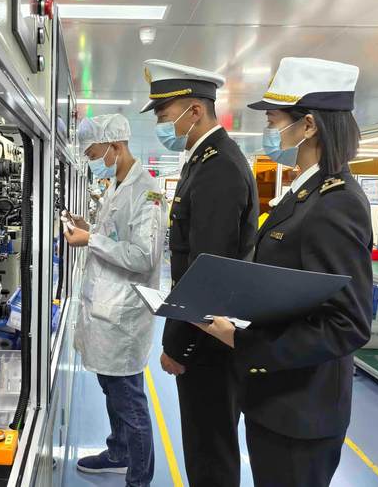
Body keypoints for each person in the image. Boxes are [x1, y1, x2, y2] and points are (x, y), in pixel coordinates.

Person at [197, 57, 372, 487]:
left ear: (308, 125)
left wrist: (242, 341)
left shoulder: (336, 203)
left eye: (274, 119)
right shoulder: (305, 193)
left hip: (301, 412)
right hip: (276, 399)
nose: (269, 129)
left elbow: (348, 324)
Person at [141, 59, 259, 487]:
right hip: (204, 330)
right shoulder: (204, 160)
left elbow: (207, 268)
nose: (161, 124)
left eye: (164, 114)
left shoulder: (219, 167)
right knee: (205, 444)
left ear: (194, 110)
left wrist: (178, 345)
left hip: (207, 339)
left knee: (209, 448)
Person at [64, 114, 167, 487]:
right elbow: (116, 235)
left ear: (115, 146)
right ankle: (119, 452)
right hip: (106, 309)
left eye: (94, 153)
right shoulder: (116, 185)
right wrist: (88, 228)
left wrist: (91, 240)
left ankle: (139, 478)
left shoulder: (148, 192)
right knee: (112, 389)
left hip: (124, 316)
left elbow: (143, 256)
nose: (93, 160)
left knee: (129, 401)